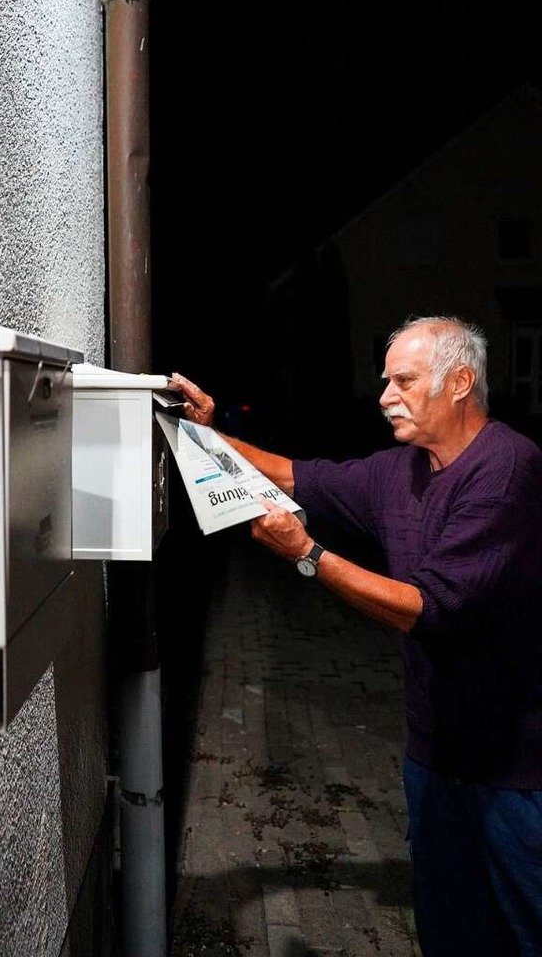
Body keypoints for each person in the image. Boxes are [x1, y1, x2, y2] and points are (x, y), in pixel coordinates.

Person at [170, 315, 542, 957]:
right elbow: (293, 475)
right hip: (435, 754)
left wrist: (308, 554)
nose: (384, 395)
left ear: (458, 383)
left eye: (404, 380)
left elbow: (430, 610)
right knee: (451, 934)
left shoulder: (506, 470)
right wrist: (203, 432)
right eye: (385, 380)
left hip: (514, 770)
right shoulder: (402, 470)